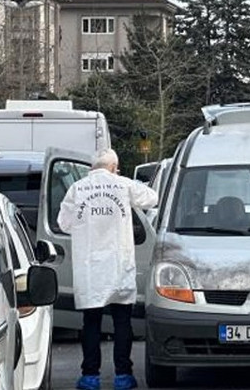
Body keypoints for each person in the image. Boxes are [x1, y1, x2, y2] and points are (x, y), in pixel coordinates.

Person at [57, 149, 158, 390]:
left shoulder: (77, 189)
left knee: (91, 323)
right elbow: (152, 198)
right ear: (115, 167)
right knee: (122, 322)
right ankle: (123, 375)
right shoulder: (123, 185)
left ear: (93, 167)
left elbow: (64, 223)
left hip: (90, 268)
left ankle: (90, 376)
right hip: (118, 266)